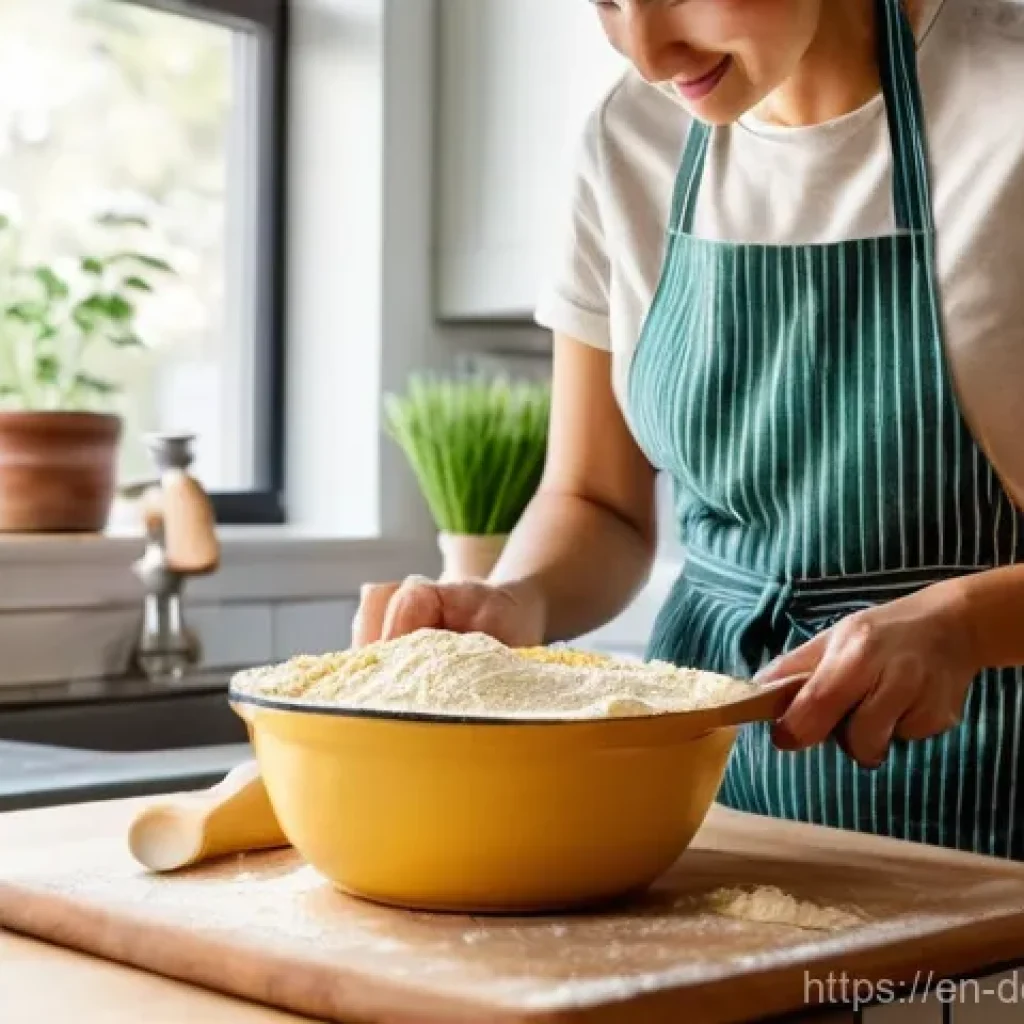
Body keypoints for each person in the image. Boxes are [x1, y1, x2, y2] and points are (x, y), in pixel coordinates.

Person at [355, 0, 1024, 860]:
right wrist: (516, 598)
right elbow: (596, 499)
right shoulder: (628, 138)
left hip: (987, 830)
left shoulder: (1004, 118)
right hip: (708, 816)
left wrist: (963, 624)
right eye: (606, 1)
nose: (645, 49)